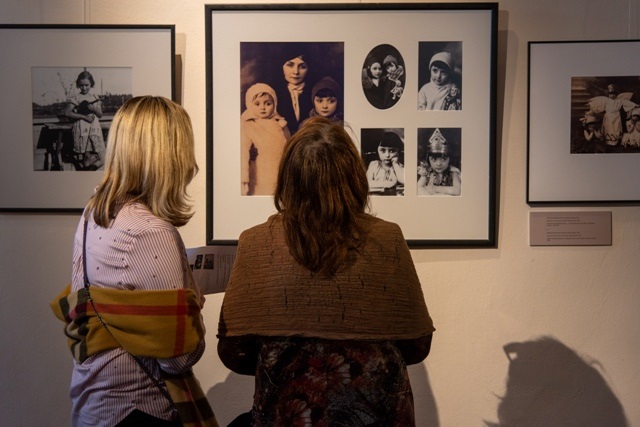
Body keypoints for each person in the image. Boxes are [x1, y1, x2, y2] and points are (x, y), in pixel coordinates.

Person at [217, 116, 434, 426]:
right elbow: (417, 346)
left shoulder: (255, 242)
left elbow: (233, 352)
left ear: (289, 177)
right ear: (354, 176)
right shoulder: (387, 239)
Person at [50, 96, 217, 427]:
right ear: (168, 157)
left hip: (95, 405)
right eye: (185, 150)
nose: (192, 165)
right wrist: (193, 308)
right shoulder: (151, 231)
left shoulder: (94, 213)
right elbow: (179, 358)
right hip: (138, 409)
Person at [241, 83, 290, 196]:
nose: (262, 107)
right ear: (250, 105)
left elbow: (288, 146)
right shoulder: (247, 125)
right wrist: (243, 179)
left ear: (274, 104)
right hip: (259, 175)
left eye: (268, 103)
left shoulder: (280, 123)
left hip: (279, 172)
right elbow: (243, 153)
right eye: (257, 104)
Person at [64, 70, 106, 170]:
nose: (84, 88)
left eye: (87, 85)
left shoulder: (95, 97)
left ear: (91, 84)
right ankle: (86, 175)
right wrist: (83, 117)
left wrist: (94, 109)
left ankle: (87, 173)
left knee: (103, 159)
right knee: (86, 159)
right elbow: (67, 112)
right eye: (81, 85)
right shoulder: (76, 98)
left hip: (94, 130)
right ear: (78, 85)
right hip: (82, 130)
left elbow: (100, 114)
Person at [271, 45, 314, 134]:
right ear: (282, 66)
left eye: (302, 67)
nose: (296, 72)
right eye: (290, 65)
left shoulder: (315, 92)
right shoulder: (272, 93)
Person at [417, 128, 461, 196]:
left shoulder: (452, 172)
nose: (438, 164)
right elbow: (417, 188)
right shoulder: (428, 172)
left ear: (450, 159)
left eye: (443, 159)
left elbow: (458, 191)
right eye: (434, 159)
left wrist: (435, 188)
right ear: (428, 159)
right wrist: (423, 176)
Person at [366, 130, 405, 195]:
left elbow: (404, 181)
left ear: (398, 152)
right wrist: (390, 184)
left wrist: (395, 164)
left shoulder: (399, 167)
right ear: (377, 150)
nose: (387, 155)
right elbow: (367, 182)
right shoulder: (374, 165)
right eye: (383, 150)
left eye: (392, 151)